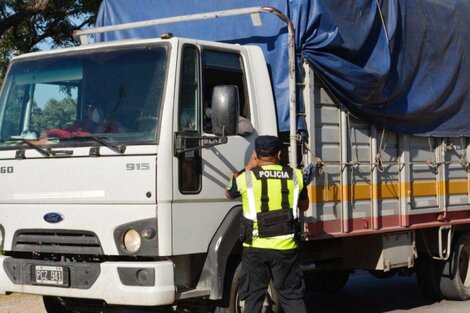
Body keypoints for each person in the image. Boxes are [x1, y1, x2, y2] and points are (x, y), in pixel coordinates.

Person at [225, 135, 309, 313]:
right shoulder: (296, 176)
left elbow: (229, 192)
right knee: (292, 296)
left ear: (255, 154)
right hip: (286, 247)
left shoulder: (246, 178)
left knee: (253, 298)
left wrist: (248, 166)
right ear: (279, 154)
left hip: (255, 248)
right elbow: (304, 206)